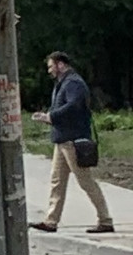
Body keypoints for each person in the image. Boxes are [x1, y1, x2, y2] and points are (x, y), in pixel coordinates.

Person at [33, 49, 111, 234]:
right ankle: (51, 221)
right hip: (62, 141)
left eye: (51, 66)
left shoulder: (74, 83)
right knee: (57, 182)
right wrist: (49, 116)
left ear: (61, 65)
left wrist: (50, 117)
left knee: (86, 182)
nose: (49, 70)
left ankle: (106, 220)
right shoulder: (64, 83)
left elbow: (73, 106)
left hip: (73, 141)